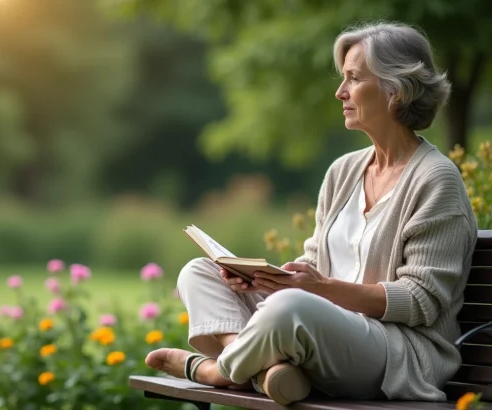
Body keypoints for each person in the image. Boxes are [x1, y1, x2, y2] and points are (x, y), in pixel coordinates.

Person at [144, 21, 478, 405]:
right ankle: (265, 370)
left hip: (396, 352)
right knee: (199, 272)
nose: (340, 92)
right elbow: (318, 263)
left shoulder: (437, 179)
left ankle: (218, 370)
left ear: (395, 91)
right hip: (325, 327)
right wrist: (266, 280)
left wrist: (315, 290)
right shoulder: (344, 171)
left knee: (291, 307)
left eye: (353, 78)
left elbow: (420, 301)